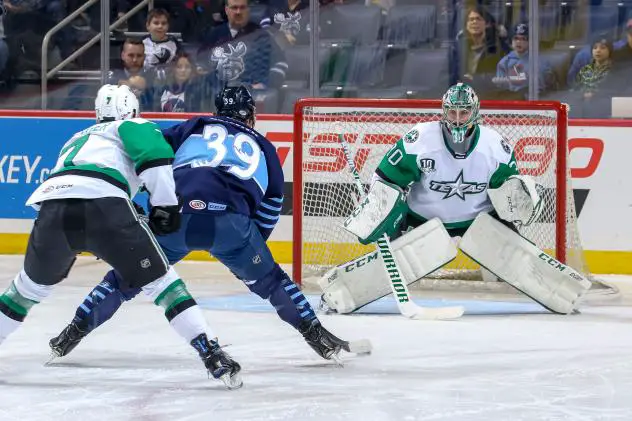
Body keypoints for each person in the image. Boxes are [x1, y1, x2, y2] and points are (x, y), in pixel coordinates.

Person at [49, 85, 369, 363]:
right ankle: (315, 333)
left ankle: (72, 332)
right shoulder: (266, 147)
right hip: (231, 226)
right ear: (251, 117)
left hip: (176, 219)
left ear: (217, 111)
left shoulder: (194, 125)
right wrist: (248, 246)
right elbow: (272, 204)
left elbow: (147, 154)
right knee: (273, 283)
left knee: (123, 281)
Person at [0, 84, 242, 389]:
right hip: (106, 205)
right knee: (163, 284)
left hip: (53, 211)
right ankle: (211, 352)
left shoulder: (77, 138)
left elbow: (77, 178)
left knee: (25, 290)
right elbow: (155, 156)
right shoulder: (133, 125)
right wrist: (164, 206)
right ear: (131, 110)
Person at [320, 82, 591, 316]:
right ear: (443, 111)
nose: (458, 118)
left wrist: (520, 202)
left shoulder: (495, 147)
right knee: (396, 261)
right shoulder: (420, 140)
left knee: (516, 252)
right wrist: (377, 208)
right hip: (422, 218)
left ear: (475, 113)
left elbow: (509, 193)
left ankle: (564, 292)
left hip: (478, 219)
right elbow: (387, 178)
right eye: (452, 111)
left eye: (464, 112)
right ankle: (338, 293)